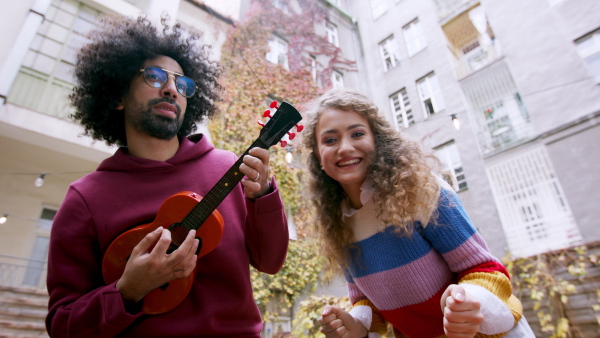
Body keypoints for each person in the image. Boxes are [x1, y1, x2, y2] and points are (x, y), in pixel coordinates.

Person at [45, 14, 289, 337]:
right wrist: (127, 292)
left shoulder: (228, 168)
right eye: (155, 77)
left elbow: (271, 262)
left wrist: (263, 197)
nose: (172, 89)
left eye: (182, 83)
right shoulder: (84, 200)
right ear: (118, 96)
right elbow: (64, 325)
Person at [301, 88, 534, 337]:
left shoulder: (421, 192)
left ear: (376, 141)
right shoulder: (337, 225)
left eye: (357, 134)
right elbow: (367, 303)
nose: (345, 147)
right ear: (318, 155)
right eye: (330, 140)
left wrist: (467, 299)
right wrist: (354, 326)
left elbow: (485, 269)